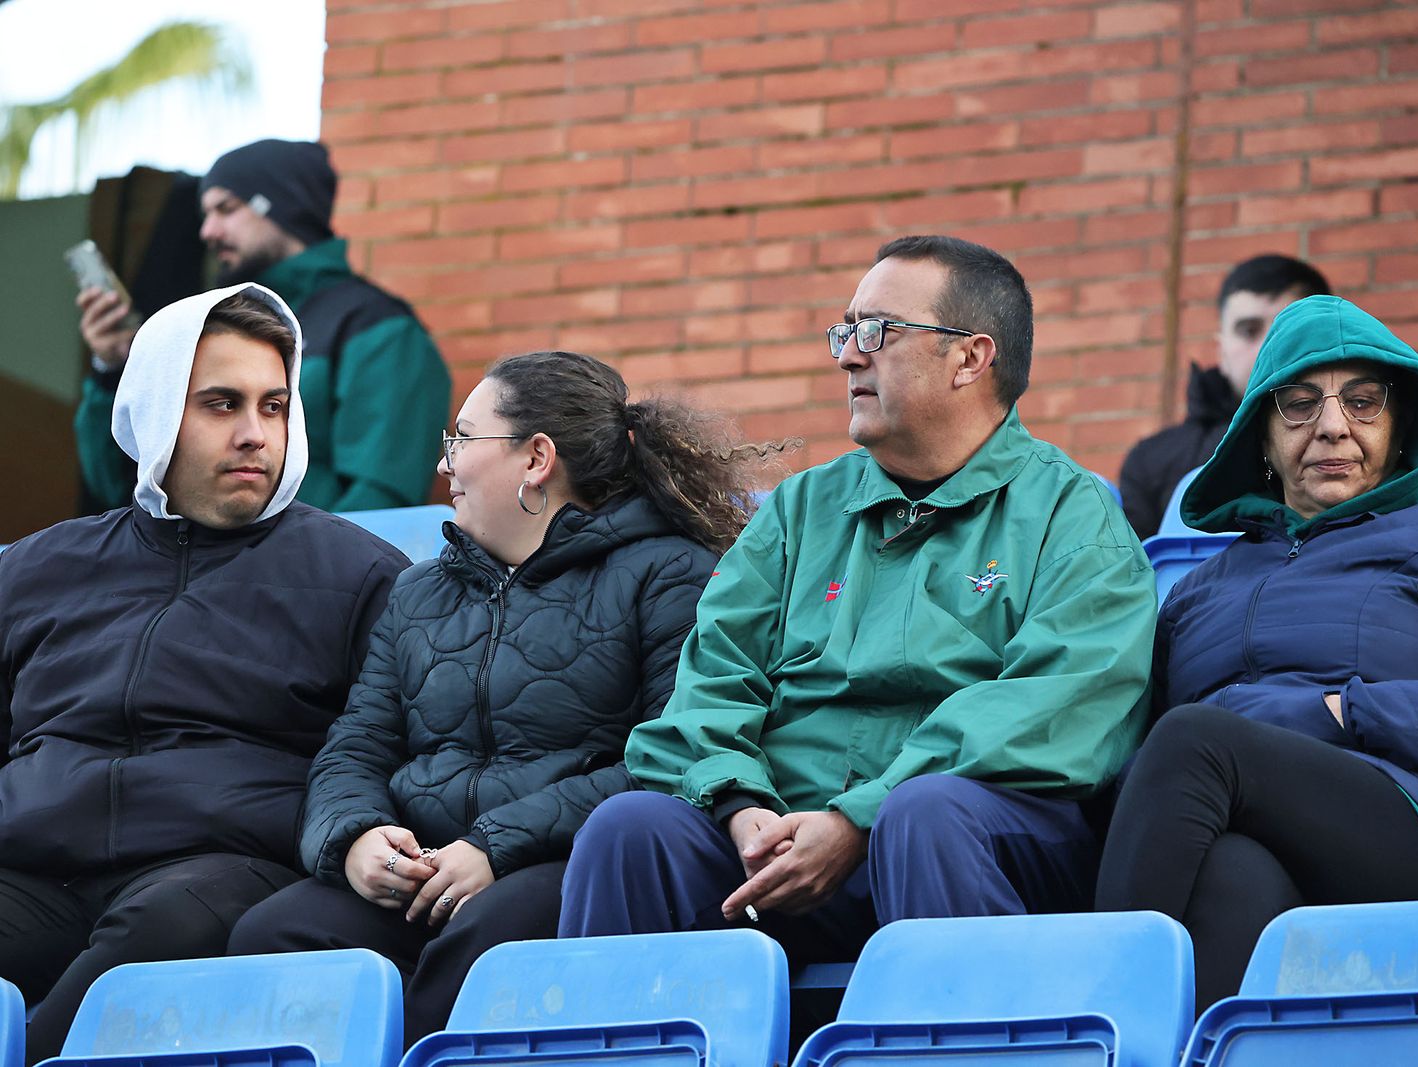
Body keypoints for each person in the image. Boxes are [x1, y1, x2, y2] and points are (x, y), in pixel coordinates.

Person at [559, 236, 1157, 960]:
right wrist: (743, 808)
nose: (847, 356)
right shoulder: (799, 510)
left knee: (925, 814)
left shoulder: (1073, 515)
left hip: (973, 838)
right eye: (844, 332)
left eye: (875, 332)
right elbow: (710, 685)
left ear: (971, 357)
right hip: (780, 843)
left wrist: (857, 819)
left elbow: (1051, 711)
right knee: (630, 830)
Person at [228, 351, 778, 1044]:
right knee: (272, 933)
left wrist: (493, 845)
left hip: (560, 862)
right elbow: (356, 745)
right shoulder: (417, 592)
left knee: (484, 942)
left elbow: (669, 757)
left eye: (462, 438)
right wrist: (357, 837)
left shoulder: (668, 574)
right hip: (424, 872)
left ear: (536, 458)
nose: (444, 464)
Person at [1095, 295, 1418, 1010]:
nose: (1331, 426)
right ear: (1259, 436)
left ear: (1398, 422)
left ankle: (1103, 1020)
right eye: (1297, 404)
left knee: (1196, 740)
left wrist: (1340, 710)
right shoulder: (1199, 589)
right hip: (1250, 828)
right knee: (1231, 874)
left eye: (1363, 401)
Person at [0, 286, 409, 1063]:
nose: (255, 434)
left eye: (274, 406)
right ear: (157, 411)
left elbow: (378, 755)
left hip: (218, 866)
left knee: (157, 937)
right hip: (33, 863)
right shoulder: (34, 567)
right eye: (221, 404)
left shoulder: (360, 574)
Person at [75, 138, 450, 514]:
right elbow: (127, 485)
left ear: (283, 208)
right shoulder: (208, 323)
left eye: (226, 208)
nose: (207, 231)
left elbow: (377, 509)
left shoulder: (378, 328)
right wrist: (112, 370)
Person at [1119, 254, 1418, 539]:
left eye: (1361, 402)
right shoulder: (1152, 462)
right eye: (1248, 330)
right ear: (1220, 348)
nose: (1268, 345)